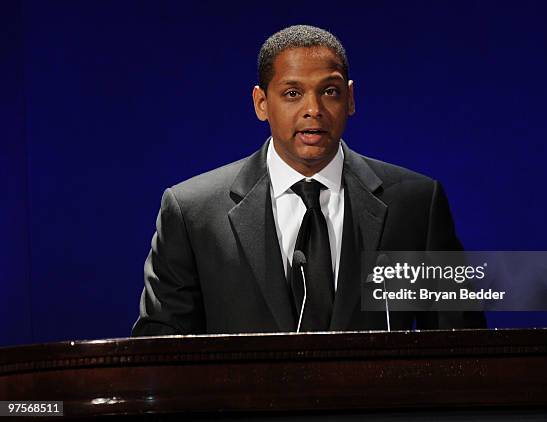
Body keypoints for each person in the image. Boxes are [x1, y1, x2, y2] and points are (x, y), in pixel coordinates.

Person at [132, 25, 485, 336]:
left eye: (329, 92)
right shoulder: (193, 211)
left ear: (350, 99)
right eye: (292, 93)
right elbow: (161, 351)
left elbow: (461, 339)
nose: (313, 109)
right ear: (261, 103)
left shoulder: (416, 204)